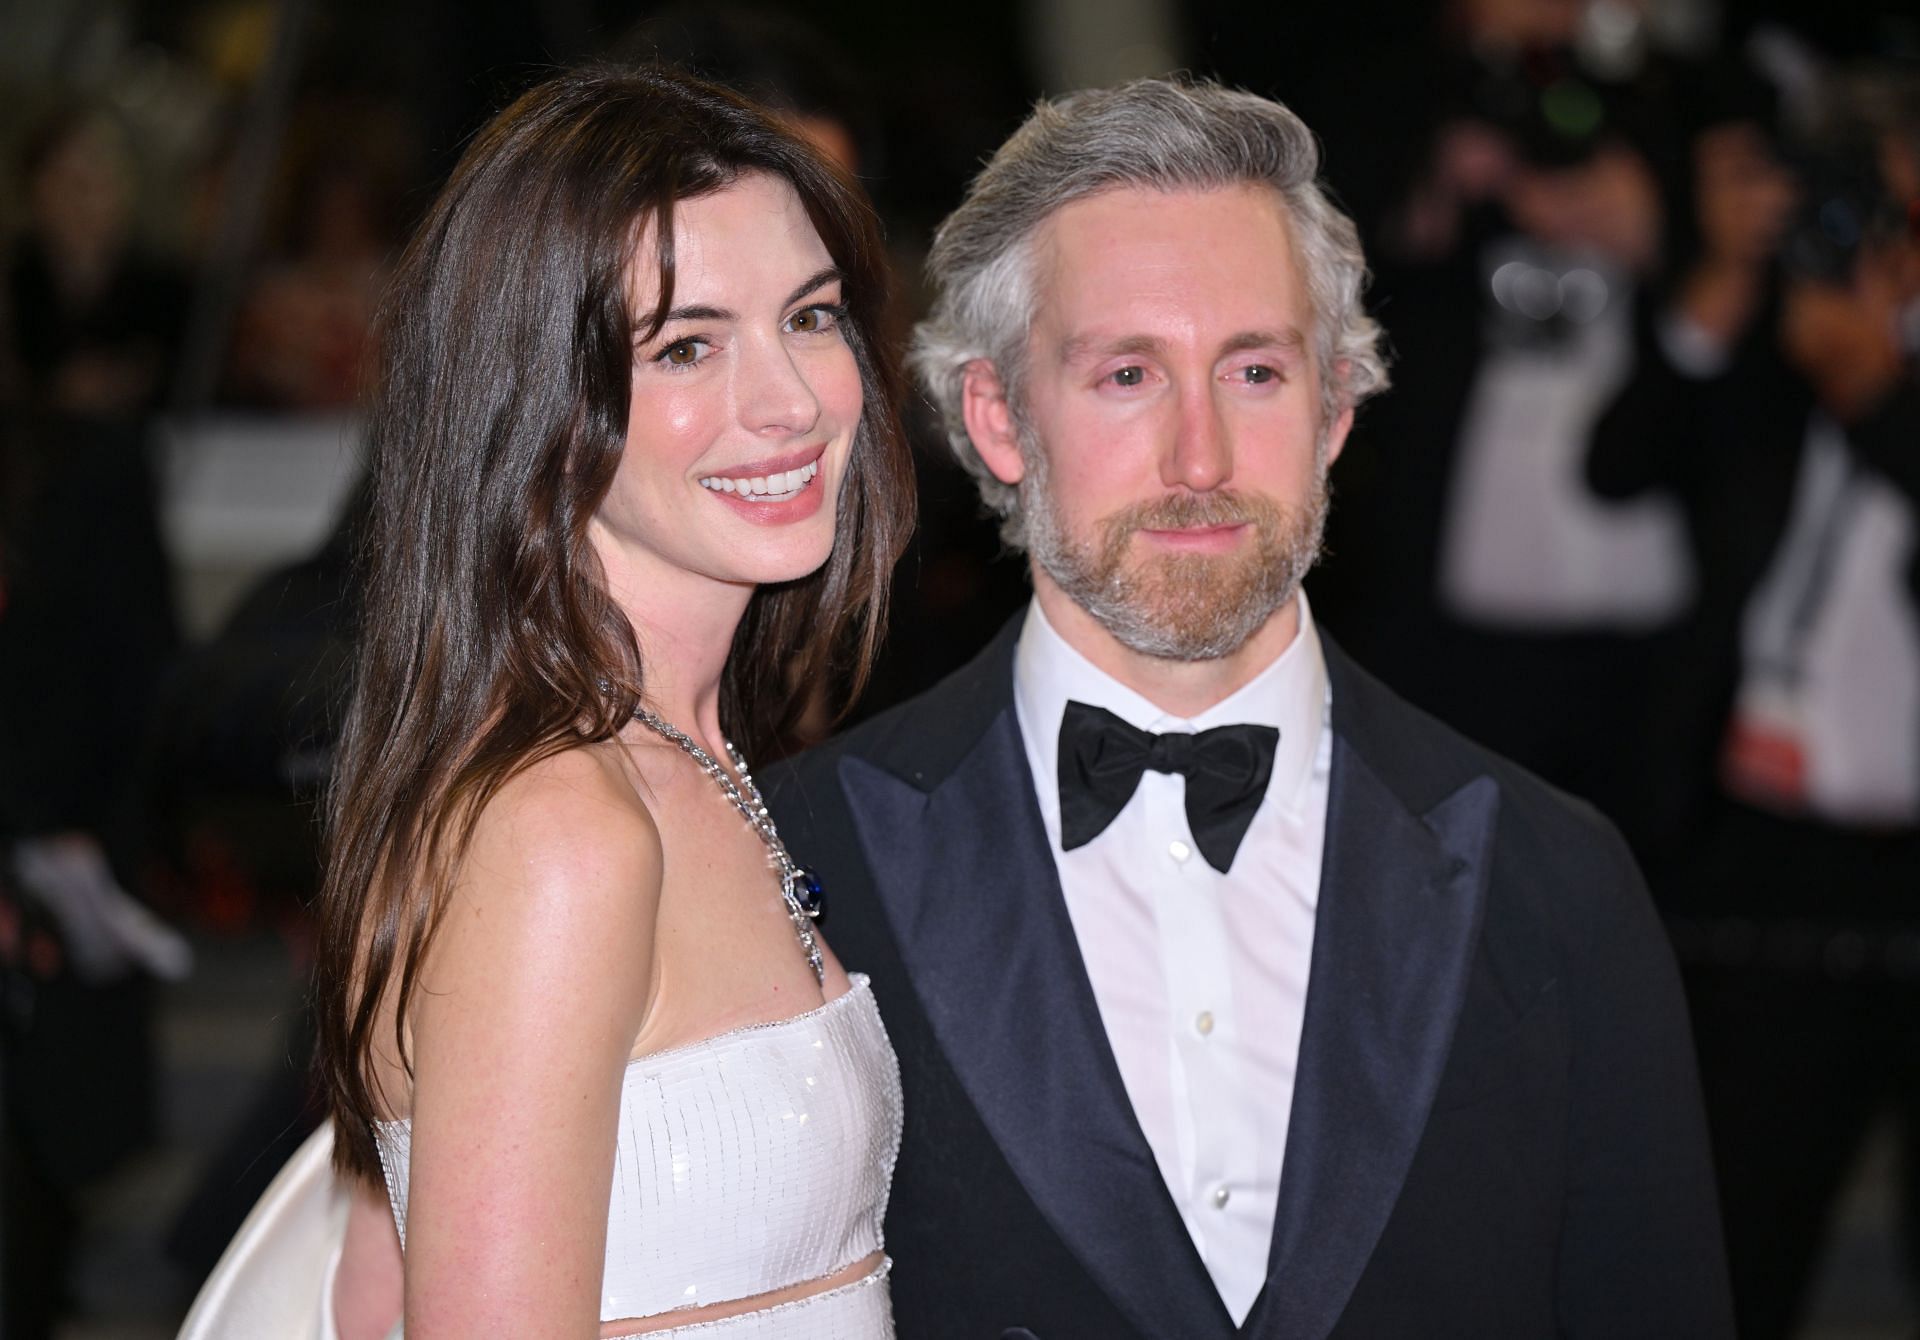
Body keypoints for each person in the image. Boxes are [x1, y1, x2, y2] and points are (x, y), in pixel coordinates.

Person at [765, 77, 1734, 1338]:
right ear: (998, 419)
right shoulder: (798, 856)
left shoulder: (1554, 877)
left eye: (1256, 370)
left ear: (1334, 407)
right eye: (1126, 373)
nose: (1204, 458)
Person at [183, 65, 915, 1338]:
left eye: (811, 316)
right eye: (687, 344)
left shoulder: (687, 758)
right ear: (541, 403)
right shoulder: (559, 828)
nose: (793, 400)